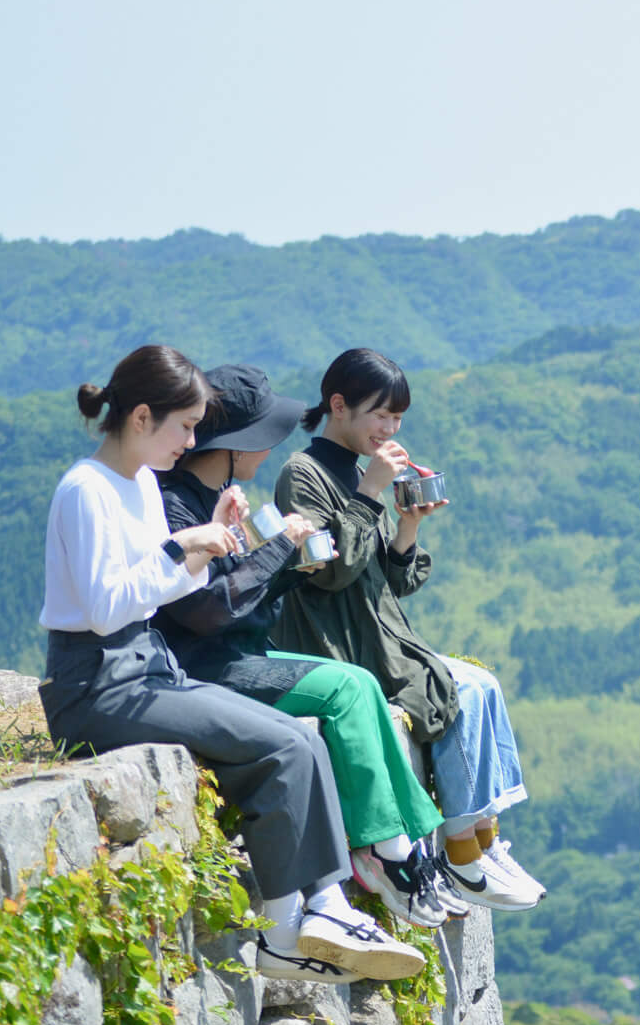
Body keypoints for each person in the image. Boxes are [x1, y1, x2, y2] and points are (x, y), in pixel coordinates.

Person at [37, 344, 426, 984]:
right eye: (185, 426)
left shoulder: (138, 483)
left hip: (145, 664)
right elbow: (106, 609)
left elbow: (178, 592)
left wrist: (213, 543)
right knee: (285, 745)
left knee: (300, 738)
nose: (192, 441)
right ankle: (291, 930)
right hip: (96, 682)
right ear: (142, 417)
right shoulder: (87, 489)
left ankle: (315, 912)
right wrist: (183, 547)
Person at [152, 363, 464, 929]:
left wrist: (291, 561)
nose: (270, 449)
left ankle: (405, 844)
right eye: (262, 438)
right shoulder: (178, 504)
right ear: (237, 444)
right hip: (203, 666)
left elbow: (244, 592)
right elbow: (206, 611)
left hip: (238, 653)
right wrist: (279, 551)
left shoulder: (212, 495)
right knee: (347, 689)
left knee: (359, 685)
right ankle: (385, 850)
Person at [272, 348, 543, 911]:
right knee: (456, 687)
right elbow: (330, 573)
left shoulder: (357, 471)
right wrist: (370, 493)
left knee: (482, 684)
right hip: (339, 644)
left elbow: (389, 581)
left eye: (397, 418)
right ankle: (462, 853)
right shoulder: (303, 474)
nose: (390, 429)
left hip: (379, 635)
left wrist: (407, 528)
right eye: (380, 415)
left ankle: (483, 841)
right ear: (338, 405)